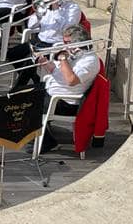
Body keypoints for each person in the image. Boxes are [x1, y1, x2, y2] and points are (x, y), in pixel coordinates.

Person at [34, 25, 100, 153]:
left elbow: (71, 80)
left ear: (79, 42)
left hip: (66, 102)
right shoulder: (74, 54)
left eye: (67, 43)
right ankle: (41, 133)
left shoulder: (90, 60)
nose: (64, 46)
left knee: (26, 104)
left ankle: (46, 142)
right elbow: (58, 72)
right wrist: (45, 62)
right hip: (53, 93)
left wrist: (62, 58)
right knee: (20, 93)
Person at [8, 0, 82, 89]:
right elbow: (30, 25)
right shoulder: (46, 4)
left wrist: (56, 8)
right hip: (38, 41)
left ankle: (16, 91)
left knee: (29, 62)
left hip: (55, 45)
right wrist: (38, 14)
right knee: (12, 54)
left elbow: (67, 30)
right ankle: (36, 80)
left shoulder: (73, 9)